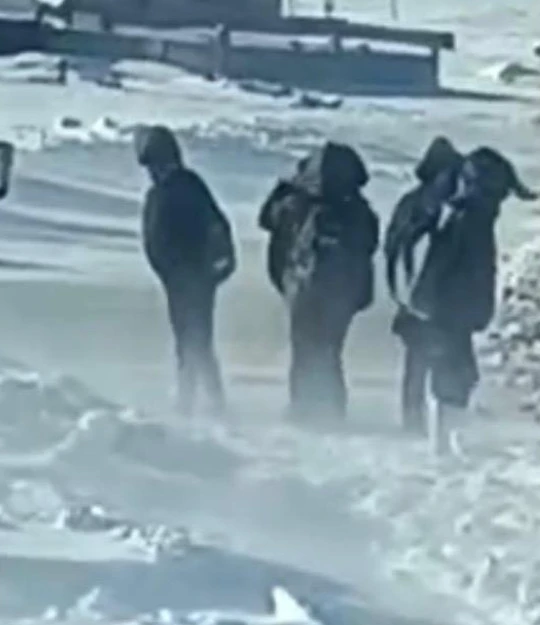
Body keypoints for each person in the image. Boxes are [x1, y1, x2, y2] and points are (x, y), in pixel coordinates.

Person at [397, 145, 537, 455]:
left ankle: (447, 439)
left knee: (459, 375)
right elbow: (442, 264)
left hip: (452, 311)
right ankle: (444, 444)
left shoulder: (469, 215)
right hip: (448, 312)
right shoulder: (467, 218)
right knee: (454, 376)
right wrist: (427, 304)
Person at [258, 140, 379, 426]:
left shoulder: (297, 204)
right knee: (330, 352)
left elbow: (267, 219)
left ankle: (303, 409)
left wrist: (284, 188)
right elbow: (370, 245)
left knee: (303, 351)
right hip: (343, 296)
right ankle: (332, 410)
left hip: (303, 290)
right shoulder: (360, 211)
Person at [137, 125, 236, 417]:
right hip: (189, 277)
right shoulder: (184, 186)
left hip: (192, 277)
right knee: (194, 339)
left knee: (194, 340)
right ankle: (203, 398)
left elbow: (158, 240)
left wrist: (188, 271)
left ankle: (196, 399)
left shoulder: (175, 189)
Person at [385, 136, 465, 434]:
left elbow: (391, 247)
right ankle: (435, 427)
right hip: (436, 300)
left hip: (412, 298)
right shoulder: (446, 209)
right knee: (439, 365)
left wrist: (400, 292)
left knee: (416, 366)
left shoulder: (410, 203)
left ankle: (415, 422)